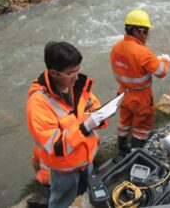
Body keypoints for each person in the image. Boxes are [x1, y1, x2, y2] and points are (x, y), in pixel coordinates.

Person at [26, 41, 109, 208]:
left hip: (86, 162)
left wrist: (100, 117)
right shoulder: (38, 103)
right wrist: (86, 127)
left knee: (84, 195)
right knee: (61, 203)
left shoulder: (76, 86)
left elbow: (91, 107)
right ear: (54, 73)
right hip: (64, 172)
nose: (77, 77)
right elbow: (56, 145)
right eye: (71, 73)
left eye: (78, 70)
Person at [110, 9, 170, 154]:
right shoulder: (143, 52)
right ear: (138, 31)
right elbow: (162, 72)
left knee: (124, 122)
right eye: (146, 31)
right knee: (142, 126)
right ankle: (135, 153)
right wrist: (165, 60)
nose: (147, 35)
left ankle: (122, 149)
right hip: (141, 97)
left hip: (123, 93)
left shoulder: (116, 47)